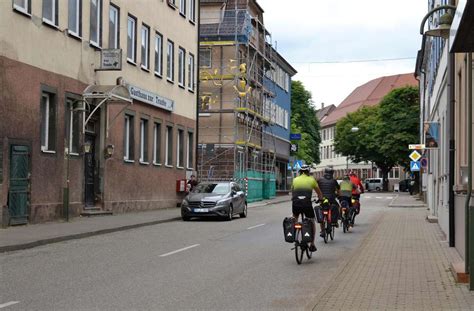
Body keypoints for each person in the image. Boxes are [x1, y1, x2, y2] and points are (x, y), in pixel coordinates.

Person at [291, 164, 323, 252]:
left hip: (296, 203)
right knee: (312, 221)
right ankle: (312, 244)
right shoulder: (311, 180)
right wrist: (320, 200)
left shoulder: (295, 179)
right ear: (308, 172)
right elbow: (319, 193)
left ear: (300, 172)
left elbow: (292, 192)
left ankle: (294, 235)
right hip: (306, 204)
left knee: (295, 217)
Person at [317, 167, 341, 235]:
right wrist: (339, 196)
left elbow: (317, 188)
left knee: (321, 214)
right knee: (337, 207)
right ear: (332, 173)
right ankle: (335, 221)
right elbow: (338, 190)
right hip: (331, 199)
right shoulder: (334, 180)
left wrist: (319, 197)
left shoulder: (319, 180)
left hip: (323, 200)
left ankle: (322, 231)